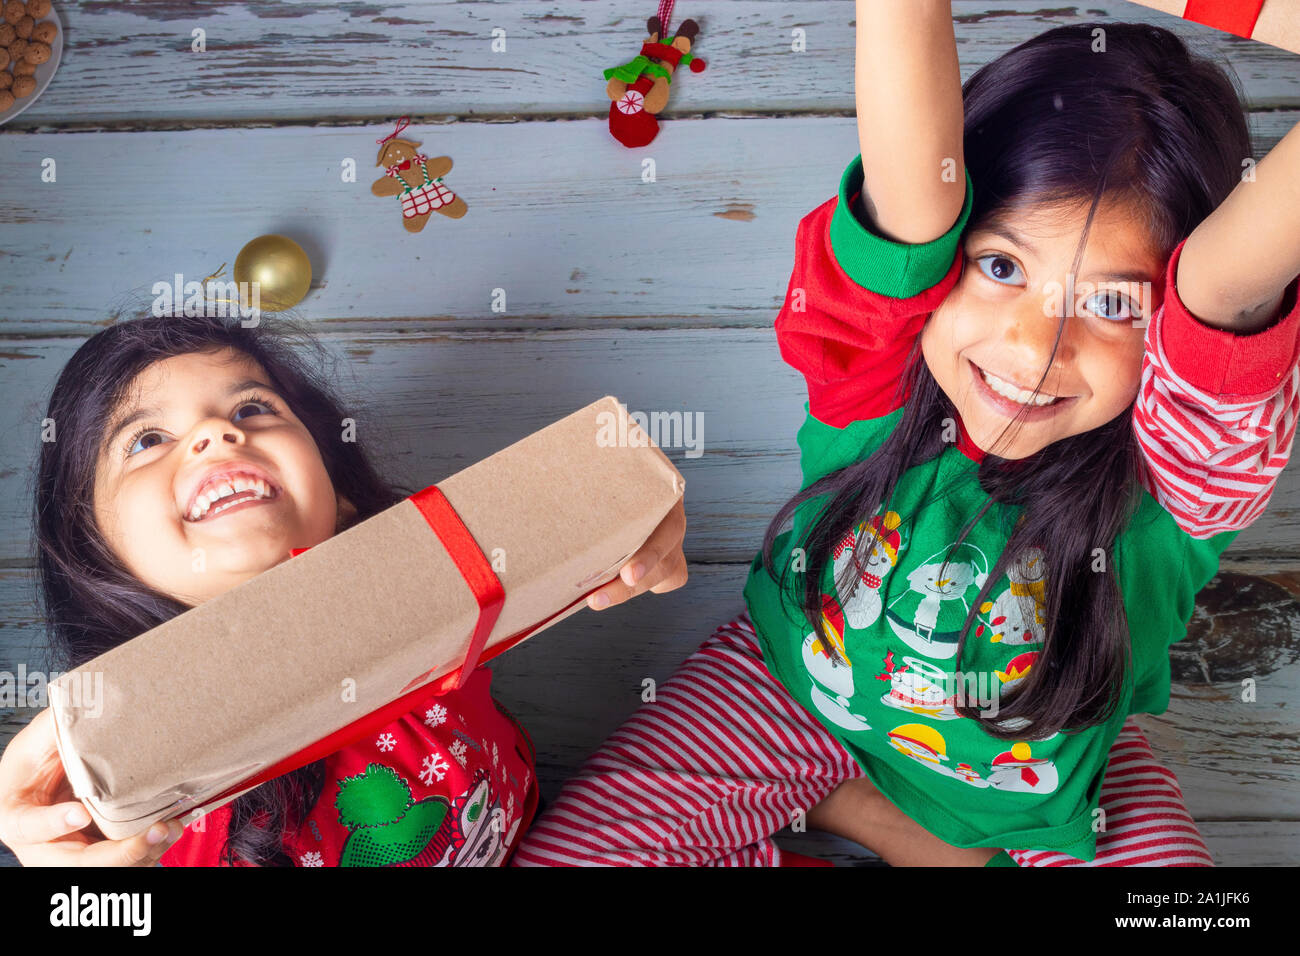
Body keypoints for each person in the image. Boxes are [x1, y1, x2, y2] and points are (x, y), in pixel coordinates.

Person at [513, 3, 1300, 866]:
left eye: (1112, 303)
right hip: (789, 696)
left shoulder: (1176, 483)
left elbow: (1221, 291)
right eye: (1000, 268)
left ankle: (871, 819)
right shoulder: (875, 380)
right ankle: (877, 817)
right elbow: (915, 198)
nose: (1035, 351)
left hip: (1052, 769)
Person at [0, 312, 687, 866]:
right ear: (95, 552)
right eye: (147, 439)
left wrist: (635, 513)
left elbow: (592, 498)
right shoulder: (127, 798)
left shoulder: (437, 567)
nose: (217, 433)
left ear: (342, 498)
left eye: (254, 406)